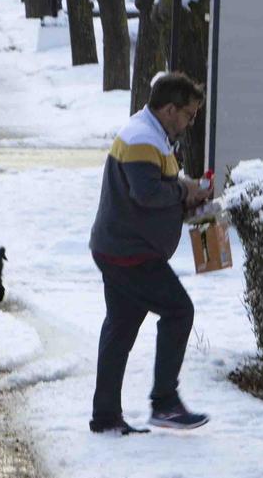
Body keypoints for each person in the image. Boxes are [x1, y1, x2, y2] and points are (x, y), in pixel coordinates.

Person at [87, 72, 212, 434]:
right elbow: (147, 194)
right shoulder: (143, 138)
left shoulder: (151, 134)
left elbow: (155, 188)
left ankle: (106, 417)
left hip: (120, 247)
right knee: (179, 310)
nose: (190, 122)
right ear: (170, 109)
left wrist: (185, 195)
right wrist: (182, 194)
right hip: (130, 253)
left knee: (120, 329)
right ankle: (165, 402)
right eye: (188, 115)